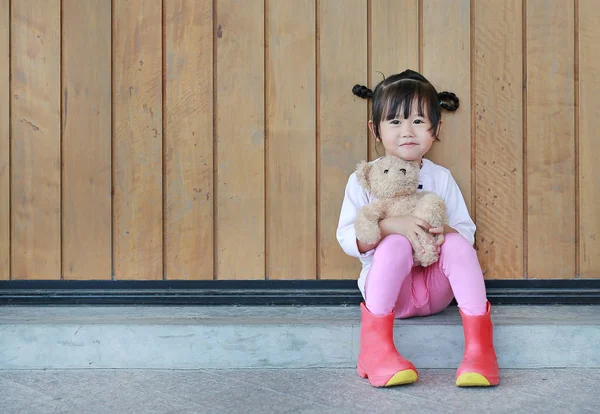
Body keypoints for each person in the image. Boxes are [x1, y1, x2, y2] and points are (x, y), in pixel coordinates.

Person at [337, 69, 499, 388]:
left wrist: (444, 232)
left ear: (435, 129)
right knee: (396, 243)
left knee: (456, 245)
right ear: (376, 129)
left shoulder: (441, 178)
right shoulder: (364, 179)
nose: (407, 131)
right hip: (390, 296)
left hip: (435, 290)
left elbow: (466, 234)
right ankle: (375, 350)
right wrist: (390, 226)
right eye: (395, 122)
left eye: (418, 121)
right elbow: (347, 237)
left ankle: (480, 351)